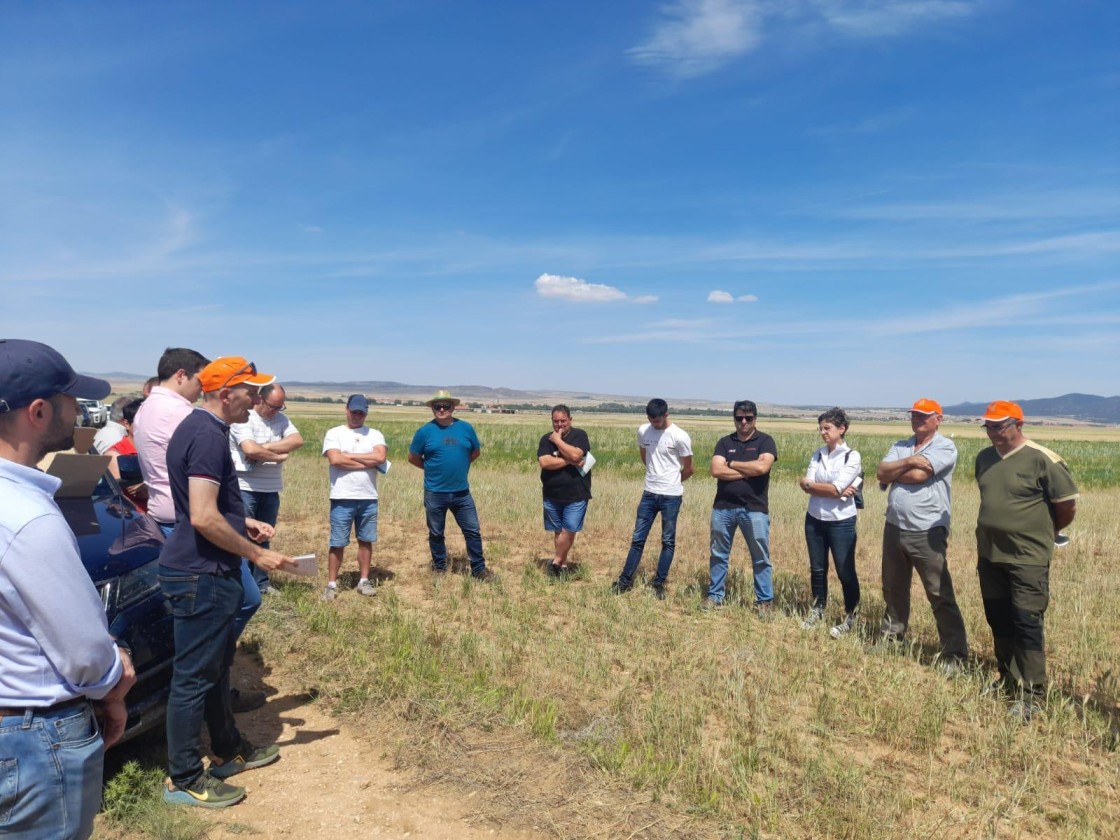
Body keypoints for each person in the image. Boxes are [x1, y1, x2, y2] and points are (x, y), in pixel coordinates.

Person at [0, 338, 136, 839]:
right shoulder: (26, 517)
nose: (79, 410)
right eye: (69, 399)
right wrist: (112, 682)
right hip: (30, 740)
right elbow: (83, 653)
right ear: (38, 411)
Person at [159, 356, 295, 808]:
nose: (257, 401)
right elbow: (200, 515)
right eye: (250, 392)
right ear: (225, 394)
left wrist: (243, 521)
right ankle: (182, 779)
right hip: (200, 573)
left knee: (216, 668)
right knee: (193, 678)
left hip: (208, 568)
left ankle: (227, 748)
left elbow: (209, 506)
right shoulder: (205, 435)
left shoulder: (208, 431)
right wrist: (256, 553)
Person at [975, 400, 1078, 721]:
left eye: (999, 426)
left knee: (1027, 622)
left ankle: (1031, 695)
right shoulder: (984, 458)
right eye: (989, 426)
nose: (993, 432)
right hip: (990, 554)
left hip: (1028, 557)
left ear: (1018, 425)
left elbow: (1066, 506)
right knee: (999, 619)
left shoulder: (1042, 459)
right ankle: (1006, 679)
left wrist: (1044, 532)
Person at [873, 398, 968, 666]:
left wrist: (898, 470)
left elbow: (920, 476)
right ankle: (892, 639)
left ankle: (954, 654)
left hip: (927, 530)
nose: (917, 419)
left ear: (938, 419)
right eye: (914, 415)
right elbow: (881, 472)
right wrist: (911, 461)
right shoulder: (901, 445)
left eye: (923, 416)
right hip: (894, 526)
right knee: (893, 588)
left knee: (938, 593)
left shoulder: (945, 446)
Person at [612, 398, 694, 599]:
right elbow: (645, 457)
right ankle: (624, 581)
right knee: (638, 539)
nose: (654, 424)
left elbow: (690, 468)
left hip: (671, 497)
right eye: (651, 420)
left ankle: (658, 584)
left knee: (667, 541)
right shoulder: (643, 431)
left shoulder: (680, 436)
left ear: (666, 415)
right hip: (649, 493)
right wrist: (655, 477)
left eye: (657, 421)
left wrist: (672, 482)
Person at [408, 389, 493, 580]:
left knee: (472, 531)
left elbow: (475, 452)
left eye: (445, 406)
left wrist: (459, 466)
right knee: (436, 533)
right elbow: (413, 457)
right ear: (432, 408)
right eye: (437, 406)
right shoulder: (424, 432)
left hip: (462, 493)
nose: (441, 409)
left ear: (453, 407)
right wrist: (432, 469)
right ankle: (439, 568)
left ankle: (479, 570)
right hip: (435, 492)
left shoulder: (466, 428)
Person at [230, 383, 304, 596]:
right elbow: (249, 448)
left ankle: (261, 583)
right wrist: (279, 455)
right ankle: (242, 585)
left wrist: (267, 449)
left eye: (280, 407)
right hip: (245, 487)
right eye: (273, 406)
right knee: (243, 538)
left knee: (265, 536)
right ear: (260, 399)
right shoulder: (244, 417)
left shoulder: (280, 419)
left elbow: (297, 440)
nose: (276, 411)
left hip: (271, 488)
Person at [706, 400, 777, 612]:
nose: (743, 422)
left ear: (755, 419)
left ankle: (764, 601)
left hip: (754, 509)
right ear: (734, 418)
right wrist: (749, 470)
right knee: (718, 554)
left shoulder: (765, 441)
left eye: (748, 418)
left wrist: (733, 464)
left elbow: (763, 467)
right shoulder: (725, 442)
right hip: (723, 508)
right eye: (739, 418)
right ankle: (715, 596)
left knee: (760, 557)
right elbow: (716, 471)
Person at [799, 407, 862, 636]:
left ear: (841, 429)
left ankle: (851, 616)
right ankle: (818, 609)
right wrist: (821, 488)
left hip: (841, 522)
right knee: (817, 568)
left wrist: (814, 486)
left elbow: (833, 489)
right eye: (821, 428)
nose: (823, 432)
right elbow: (809, 484)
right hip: (814, 518)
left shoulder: (852, 456)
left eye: (827, 428)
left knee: (845, 571)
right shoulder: (818, 454)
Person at [134, 347, 209, 533]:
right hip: (185, 514)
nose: (202, 389)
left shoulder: (145, 407)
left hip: (161, 509)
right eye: (200, 381)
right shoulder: (179, 411)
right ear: (181, 375)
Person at [322, 394, 387, 599]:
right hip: (342, 496)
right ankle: (332, 583)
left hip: (368, 496)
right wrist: (367, 462)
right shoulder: (334, 433)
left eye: (361, 412)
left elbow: (380, 457)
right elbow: (334, 459)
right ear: (346, 410)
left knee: (366, 539)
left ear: (366, 413)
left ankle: (364, 580)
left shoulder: (375, 434)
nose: (357, 415)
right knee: (338, 541)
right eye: (354, 411)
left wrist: (347, 455)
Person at [537, 404, 592, 577]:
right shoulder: (545, 439)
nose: (559, 425)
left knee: (569, 529)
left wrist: (558, 441)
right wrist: (570, 460)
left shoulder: (580, 435)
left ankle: (555, 561)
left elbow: (577, 454)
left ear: (570, 420)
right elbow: (545, 463)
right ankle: (563, 565)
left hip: (576, 493)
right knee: (558, 531)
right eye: (556, 421)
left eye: (563, 421)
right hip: (552, 493)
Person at [107, 397, 149, 512]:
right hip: (138, 520)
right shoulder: (115, 455)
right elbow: (117, 495)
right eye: (142, 421)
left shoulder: (158, 450)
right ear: (127, 424)